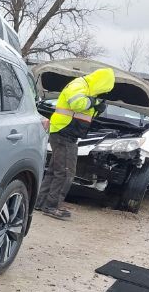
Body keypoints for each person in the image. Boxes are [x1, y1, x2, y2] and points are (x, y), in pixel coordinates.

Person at [35, 67, 115, 220]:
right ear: (101, 82)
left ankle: (41, 202)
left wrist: (96, 107)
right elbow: (77, 104)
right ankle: (52, 206)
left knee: (55, 170)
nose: (104, 92)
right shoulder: (80, 85)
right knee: (66, 172)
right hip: (65, 132)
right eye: (105, 88)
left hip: (63, 131)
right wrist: (94, 102)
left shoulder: (87, 89)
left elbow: (84, 112)